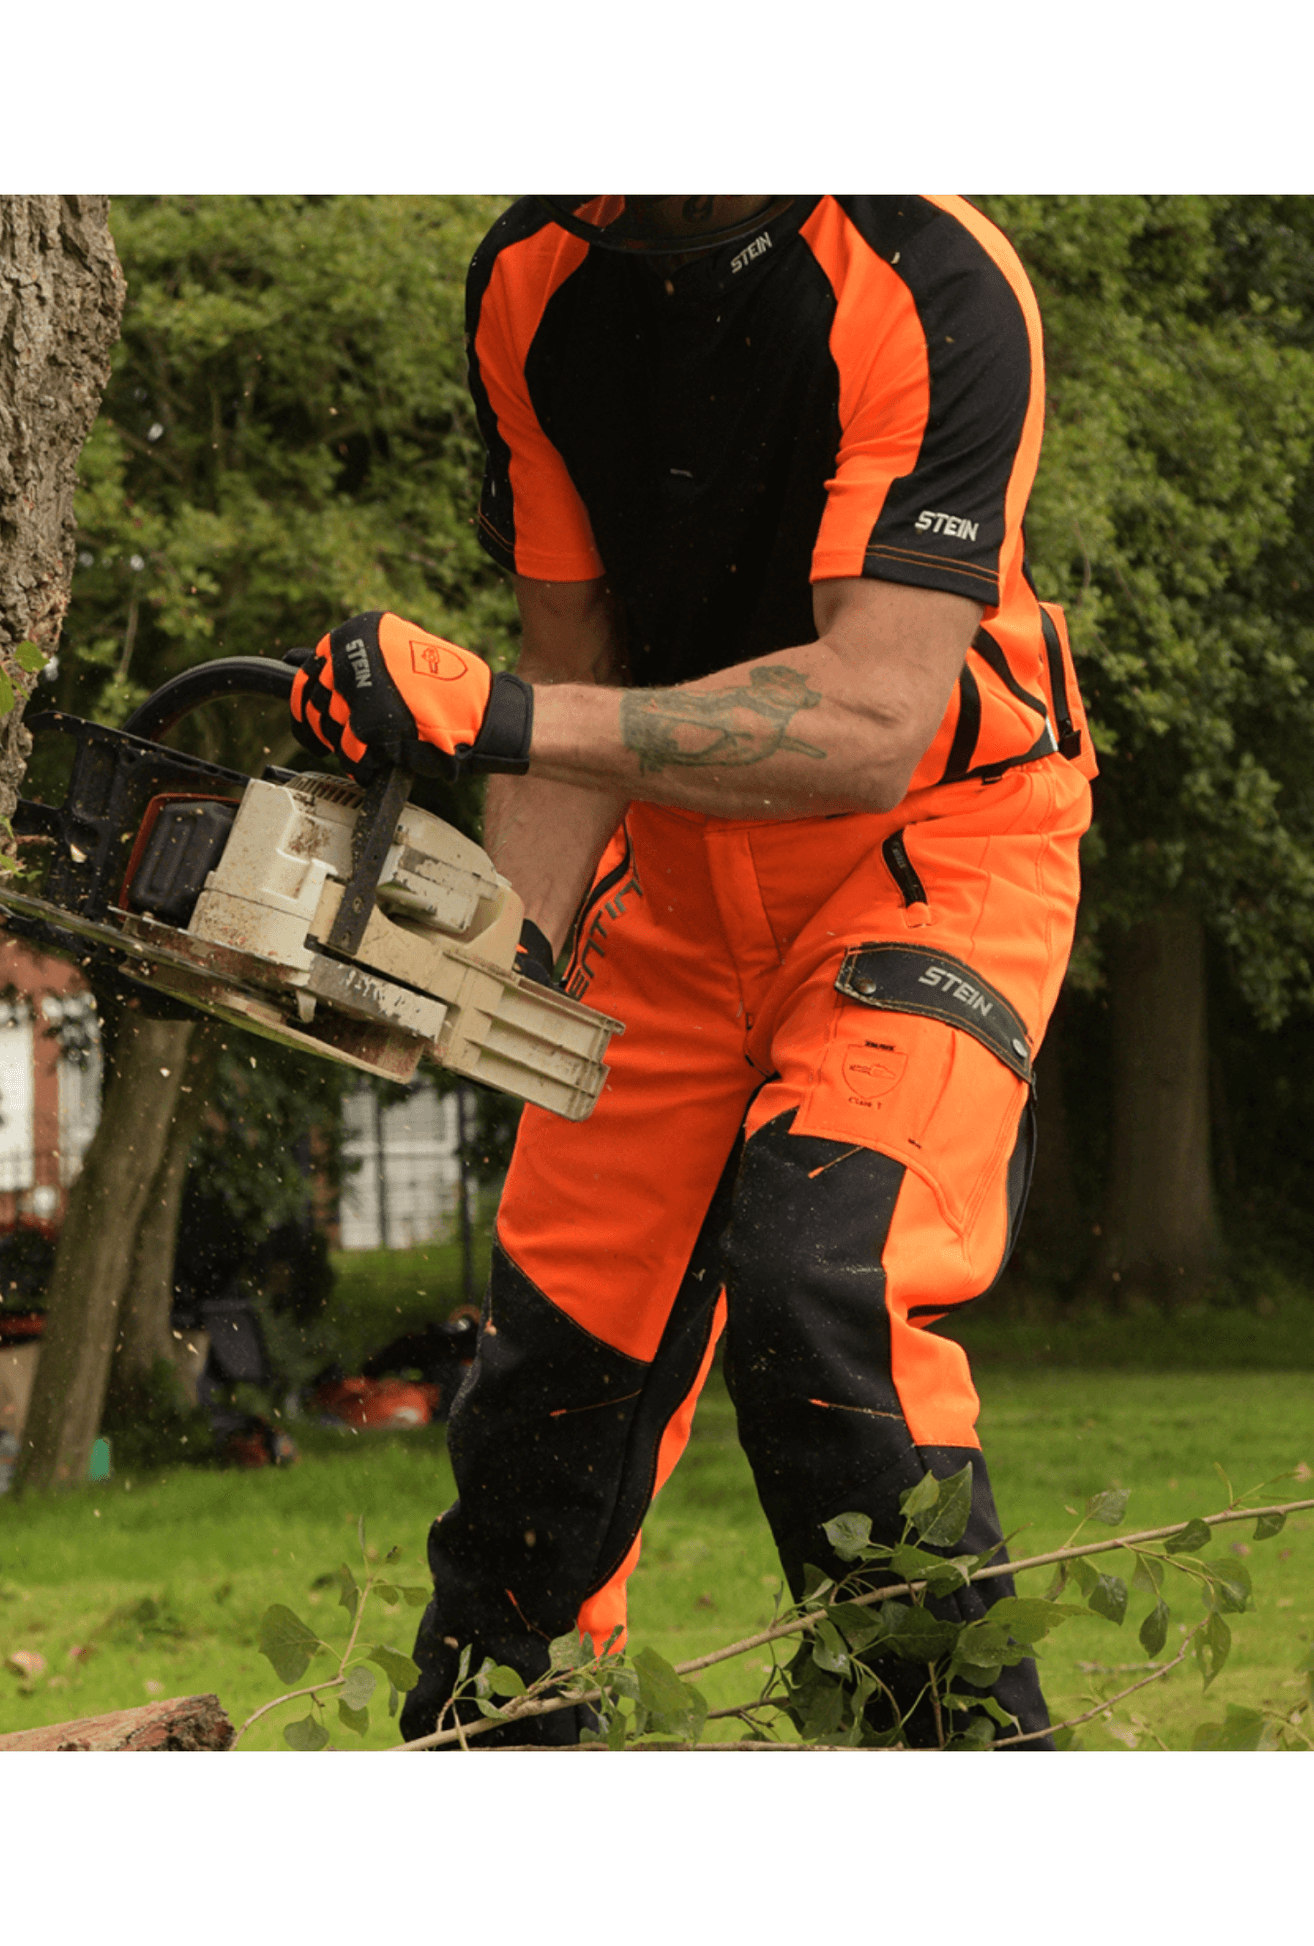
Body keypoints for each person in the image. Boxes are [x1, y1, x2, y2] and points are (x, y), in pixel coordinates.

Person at [285, 195, 1097, 1748]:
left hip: (927, 849)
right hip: (670, 874)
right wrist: (499, 963)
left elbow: (869, 717)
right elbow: (578, 658)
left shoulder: (928, 279)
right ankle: (498, 1745)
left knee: (823, 1286)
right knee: (548, 1380)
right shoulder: (531, 279)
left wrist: (493, 716)